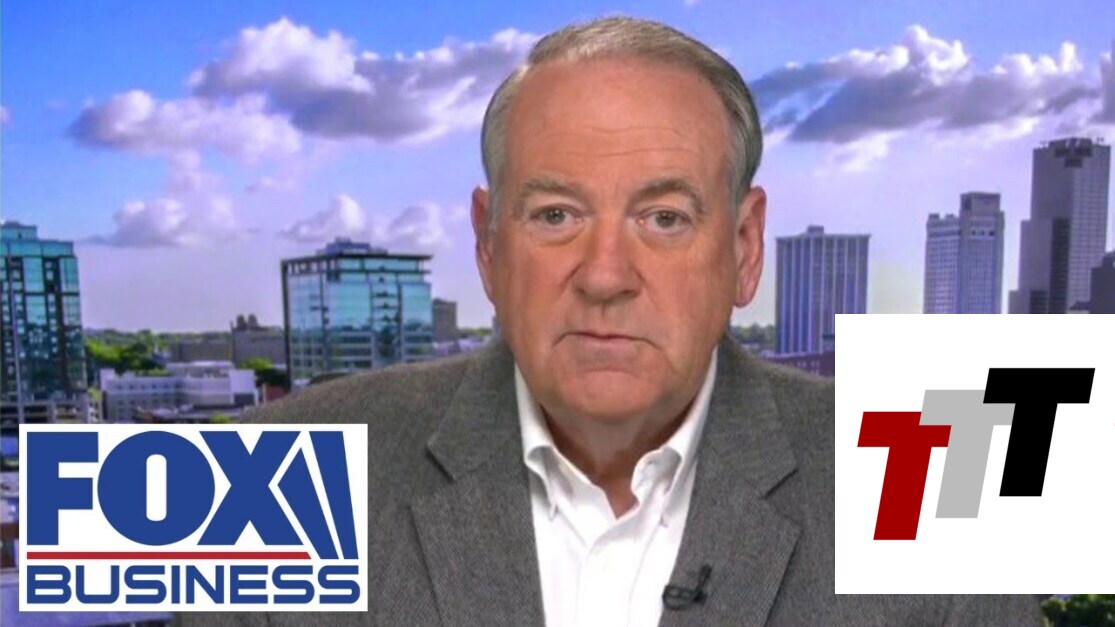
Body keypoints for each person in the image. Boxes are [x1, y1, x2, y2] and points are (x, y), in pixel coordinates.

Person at [182, 16, 1041, 627]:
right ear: (488, 244)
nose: (603, 275)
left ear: (744, 248)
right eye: (555, 215)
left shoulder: (941, 485)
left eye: (663, 218)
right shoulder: (264, 475)